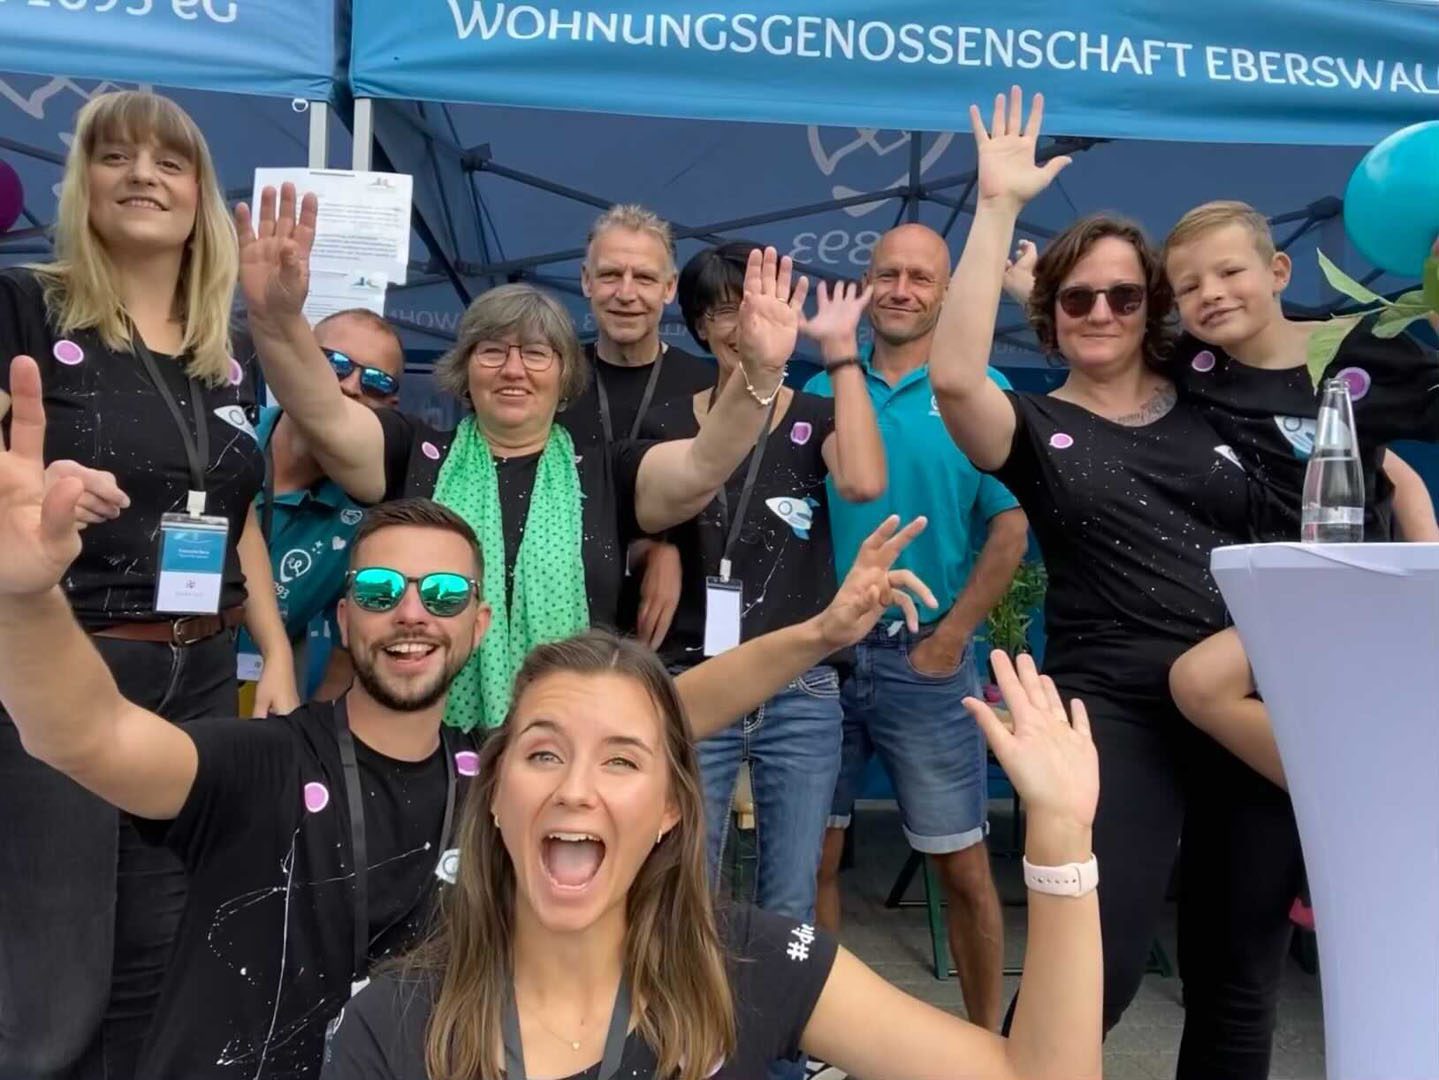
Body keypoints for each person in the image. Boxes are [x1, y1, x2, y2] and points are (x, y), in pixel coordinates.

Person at [0, 350, 952, 1078]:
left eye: (445, 595)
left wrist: (820, 631)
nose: (412, 613)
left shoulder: (500, 775)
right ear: (344, 616)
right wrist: (26, 599)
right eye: (381, 590)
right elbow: (83, 734)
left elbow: (674, 706)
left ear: (478, 622)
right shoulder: (259, 764)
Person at [929, 87, 1298, 1078]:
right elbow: (954, 378)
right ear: (1050, 317)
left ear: (1150, 312)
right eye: (1077, 298)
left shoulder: (1216, 397)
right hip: (1110, 716)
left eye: (1123, 297)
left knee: (1236, 982)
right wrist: (995, 206)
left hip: (1248, 697)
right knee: (1098, 969)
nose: (1100, 311)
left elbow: (1348, 444)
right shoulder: (1034, 425)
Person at [321, 628, 1100, 1080]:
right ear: (495, 796)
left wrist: (1061, 837)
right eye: (544, 754)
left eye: (621, 760)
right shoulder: (392, 1021)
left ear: (669, 807)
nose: (576, 790)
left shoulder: (754, 964)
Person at [237, 184, 804, 732]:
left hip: (564, 742)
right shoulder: (414, 452)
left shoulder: (606, 471)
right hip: (424, 743)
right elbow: (323, 411)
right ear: (464, 369)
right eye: (492, 352)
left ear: (564, 374)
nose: (513, 370)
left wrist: (760, 371)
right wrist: (277, 319)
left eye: (535, 354)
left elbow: (706, 462)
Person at [0, 90, 297, 1079]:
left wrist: (276, 653)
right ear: (81, 184)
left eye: (169, 162)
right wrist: (36, 486)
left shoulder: (228, 352)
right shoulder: (24, 308)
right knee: (53, 985)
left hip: (202, 676)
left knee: (162, 964)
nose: (142, 176)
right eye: (115, 156)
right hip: (69, 665)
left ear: (200, 195)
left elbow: (232, 521)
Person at [806, 222, 1028, 1031]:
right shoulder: (822, 387)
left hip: (924, 659)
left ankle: (987, 1047)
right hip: (820, 656)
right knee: (811, 861)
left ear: (945, 292)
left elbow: (1009, 527)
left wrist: (950, 636)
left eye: (920, 277)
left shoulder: (978, 390)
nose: (901, 290)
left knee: (962, 865)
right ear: (866, 283)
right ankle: (814, 1036)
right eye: (887, 274)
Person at [644, 242, 883, 963]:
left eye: (757, 306)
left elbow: (863, 482)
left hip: (799, 683)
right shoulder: (667, 419)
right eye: (724, 310)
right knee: (686, 885)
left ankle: (780, 1028)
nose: (743, 324)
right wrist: (655, 549)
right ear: (697, 324)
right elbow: (641, 512)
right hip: (694, 677)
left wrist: (840, 355)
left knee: (789, 895)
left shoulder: (814, 413)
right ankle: (691, 1023)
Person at [1156, 210, 1439, 790]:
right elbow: (1104, 340)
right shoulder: (1189, 367)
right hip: (1256, 600)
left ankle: (1361, 795)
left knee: (1199, 682)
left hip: (1350, 588)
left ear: (1279, 271)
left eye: (1230, 271)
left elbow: (1394, 464)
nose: (1211, 293)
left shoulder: (1360, 353)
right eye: (1188, 287)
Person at [561, 204, 717, 649]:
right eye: (611, 275)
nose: (626, 293)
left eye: (645, 278)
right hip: (568, 626)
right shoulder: (549, 381)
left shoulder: (710, 387)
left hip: (678, 639)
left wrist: (669, 547)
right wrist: (645, 550)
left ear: (669, 288)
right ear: (586, 281)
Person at [236, 307, 408, 701]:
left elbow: (345, 657)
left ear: (391, 406)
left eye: (377, 382)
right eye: (335, 363)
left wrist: (308, 730)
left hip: (256, 705)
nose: (350, 386)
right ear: (299, 364)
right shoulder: (224, 441)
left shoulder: (372, 515)